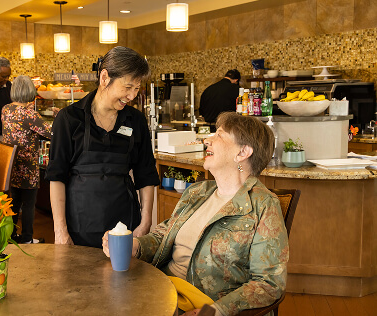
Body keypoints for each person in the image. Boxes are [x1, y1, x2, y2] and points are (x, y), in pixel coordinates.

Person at [102, 112, 288, 316]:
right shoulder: (197, 192)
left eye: (219, 135)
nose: (206, 140)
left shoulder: (262, 205)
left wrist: (214, 312)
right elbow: (163, 236)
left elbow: (268, 283)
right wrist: (135, 246)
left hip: (200, 305)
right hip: (161, 290)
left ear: (243, 152)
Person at [46, 46, 160, 248]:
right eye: (127, 87)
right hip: (79, 227)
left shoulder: (135, 120)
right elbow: (57, 177)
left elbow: (146, 173)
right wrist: (60, 231)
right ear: (105, 77)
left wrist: (145, 222)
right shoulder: (69, 119)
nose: (132, 96)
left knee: (126, 280)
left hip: (125, 226)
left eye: (137, 88)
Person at [2, 75, 53, 244]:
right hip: (28, 165)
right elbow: (50, 133)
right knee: (30, 203)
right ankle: (27, 238)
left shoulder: (6, 109)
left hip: (12, 164)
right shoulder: (30, 114)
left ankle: (11, 236)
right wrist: (59, 116)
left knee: (15, 201)